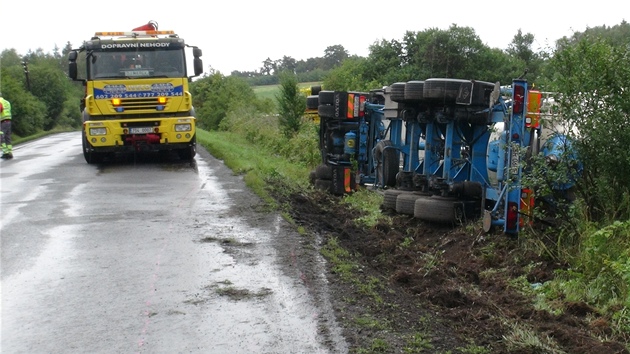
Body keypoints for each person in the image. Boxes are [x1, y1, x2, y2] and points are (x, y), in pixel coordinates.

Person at [0, 92, 13, 159]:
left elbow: (0, 109)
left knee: (1, 137)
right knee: (8, 137)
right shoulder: (7, 102)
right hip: (8, 120)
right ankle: (10, 152)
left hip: (3, 121)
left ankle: (5, 153)